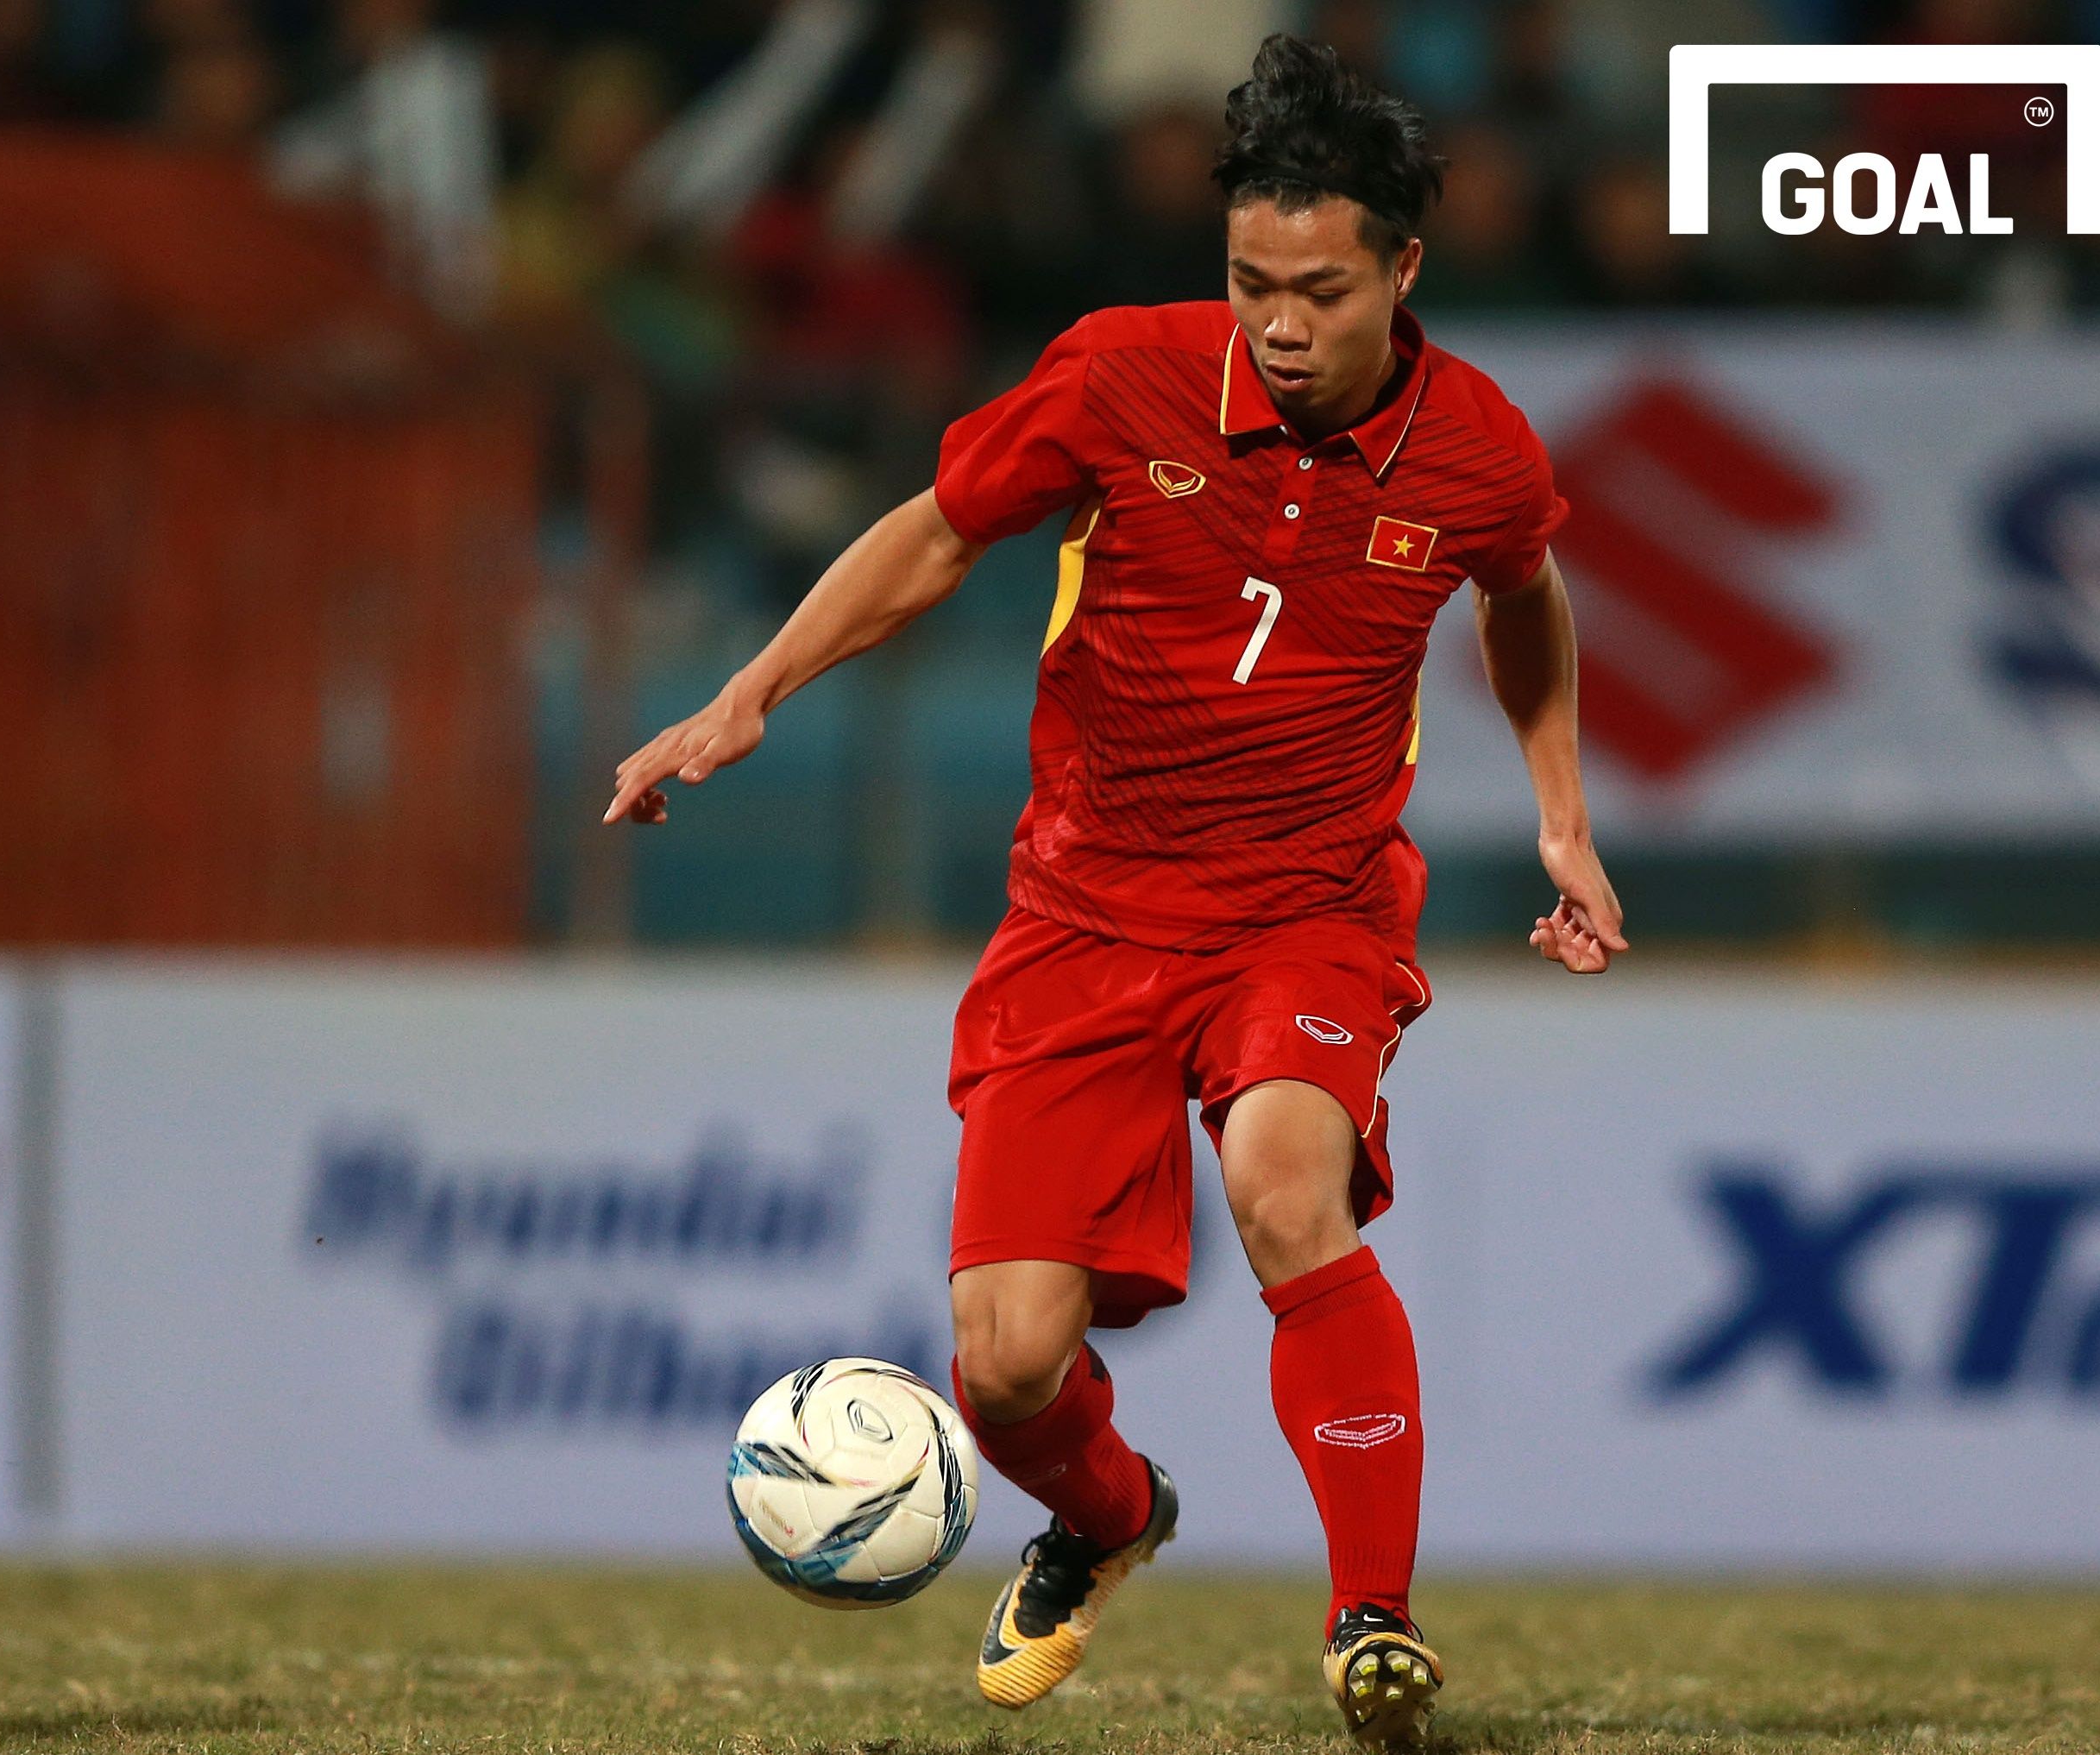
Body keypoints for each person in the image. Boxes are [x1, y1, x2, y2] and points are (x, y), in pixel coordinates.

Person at [607, 35, 1624, 1751]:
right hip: (1081, 910)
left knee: (1282, 1177)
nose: (1278, 323)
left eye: (1316, 288)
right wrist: (750, 689)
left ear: (1401, 272)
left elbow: (1521, 597)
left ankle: (1369, 1617)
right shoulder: (1117, 378)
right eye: (1248, 283)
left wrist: (1557, 814)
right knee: (1002, 1365)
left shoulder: (1475, 451)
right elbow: (933, 531)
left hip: (1305, 905)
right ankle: (1102, 1516)